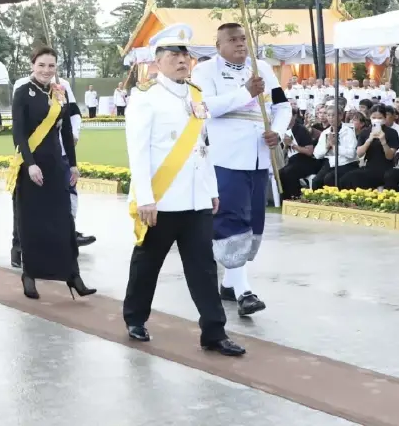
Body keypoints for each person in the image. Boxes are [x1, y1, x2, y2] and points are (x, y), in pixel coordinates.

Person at [123, 24, 245, 356]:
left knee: (203, 267)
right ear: (157, 61)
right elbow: (138, 152)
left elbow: (203, 146)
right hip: (162, 200)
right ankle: (135, 317)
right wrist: (145, 197)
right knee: (148, 262)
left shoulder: (195, 95)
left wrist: (212, 190)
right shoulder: (144, 97)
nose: (181, 60)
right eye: (174, 55)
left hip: (196, 200)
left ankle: (214, 332)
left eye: (185, 55)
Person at [190, 23, 291, 319]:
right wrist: (244, 92)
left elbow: (282, 106)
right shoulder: (204, 71)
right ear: (218, 44)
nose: (239, 44)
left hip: (260, 155)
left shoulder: (262, 68)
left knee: (254, 223)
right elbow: (204, 108)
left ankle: (229, 283)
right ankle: (245, 291)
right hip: (226, 156)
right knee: (231, 222)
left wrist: (279, 132)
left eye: (242, 39)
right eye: (232, 40)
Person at [8, 46, 94, 302]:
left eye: (51, 66)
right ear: (32, 65)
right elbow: (19, 133)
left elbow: (66, 131)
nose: (47, 70)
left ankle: (72, 275)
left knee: (62, 221)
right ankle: (29, 274)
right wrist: (30, 163)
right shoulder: (23, 92)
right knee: (31, 222)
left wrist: (74, 164)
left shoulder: (60, 93)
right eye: (42, 65)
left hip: (56, 165)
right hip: (31, 166)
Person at [340, 104, 399, 189]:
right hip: (369, 167)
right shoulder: (365, 132)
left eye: (380, 118)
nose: (376, 120)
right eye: (374, 117)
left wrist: (383, 141)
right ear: (370, 118)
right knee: (348, 178)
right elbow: (359, 153)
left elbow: (390, 156)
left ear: (385, 118)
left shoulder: (392, 132)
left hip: (386, 168)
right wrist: (369, 140)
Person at [307, 107, 360, 188]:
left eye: (333, 115)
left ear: (341, 116)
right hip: (331, 163)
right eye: (328, 115)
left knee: (330, 179)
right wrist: (327, 146)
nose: (331, 118)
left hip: (347, 163)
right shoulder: (325, 132)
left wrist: (335, 146)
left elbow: (352, 154)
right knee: (316, 181)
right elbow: (317, 154)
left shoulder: (348, 131)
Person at [277, 107, 320, 199]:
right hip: (292, 160)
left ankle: (295, 197)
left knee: (290, 172)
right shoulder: (285, 130)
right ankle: (285, 199)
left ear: (294, 116)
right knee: (281, 173)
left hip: (305, 161)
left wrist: (292, 145)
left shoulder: (301, 130)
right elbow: (285, 151)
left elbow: (309, 151)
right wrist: (286, 145)